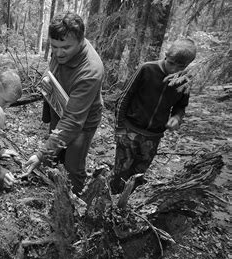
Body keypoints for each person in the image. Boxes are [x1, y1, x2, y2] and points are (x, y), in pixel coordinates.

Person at [22, 11, 104, 195]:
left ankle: (75, 203)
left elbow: (73, 121)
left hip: (81, 121)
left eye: (65, 48)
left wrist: (40, 154)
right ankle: (54, 190)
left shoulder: (90, 70)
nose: (58, 53)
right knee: (55, 155)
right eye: (54, 46)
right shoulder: (62, 44)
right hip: (59, 109)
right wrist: (46, 78)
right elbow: (53, 68)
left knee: (73, 165)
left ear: (81, 40)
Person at [110, 38, 197, 194]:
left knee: (138, 174)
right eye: (171, 63)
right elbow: (124, 97)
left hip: (153, 136)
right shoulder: (147, 69)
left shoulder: (184, 80)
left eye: (181, 66)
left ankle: (124, 204)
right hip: (130, 130)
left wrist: (177, 117)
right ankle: (108, 201)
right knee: (121, 171)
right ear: (166, 55)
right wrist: (119, 127)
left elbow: (181, 106)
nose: (174, 69)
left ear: (187, 65)